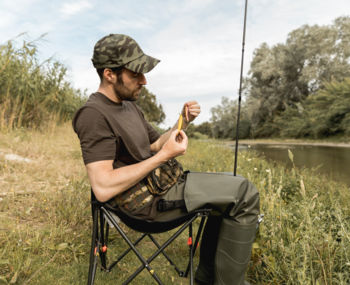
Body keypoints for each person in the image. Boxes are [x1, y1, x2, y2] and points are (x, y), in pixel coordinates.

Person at [73, 34, 260, 285]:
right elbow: (103, 186)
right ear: (109, 74)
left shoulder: (129, 106)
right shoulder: (93, 114)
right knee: (244, 192)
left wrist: (182, 122)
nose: (144, 80)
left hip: (162, 186)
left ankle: (208, 279)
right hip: (146, 204)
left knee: (232, 185)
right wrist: (163, 157)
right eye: (135, 73)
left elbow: (153, 144)